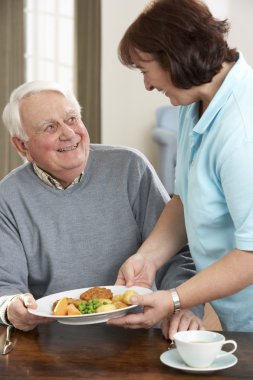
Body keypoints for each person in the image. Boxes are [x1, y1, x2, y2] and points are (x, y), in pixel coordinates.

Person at [0, 80, 204, 336]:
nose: (68, 133)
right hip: (54, 344)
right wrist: (11, 309)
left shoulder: (130, 167)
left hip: (141, 335)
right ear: (22, 146)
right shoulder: (7, 197)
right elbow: (5, 288)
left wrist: (182, 306)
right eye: (50, 127)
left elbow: (178, 254)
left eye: (72, 119)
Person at [108, 0, 253, 335]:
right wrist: (148, 259)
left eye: (145, 69)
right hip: (236, 313)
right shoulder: (194, 104)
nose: (146, 85)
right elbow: (185, 198)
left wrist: (174, 298)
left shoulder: (243, 131)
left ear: (173, 56)